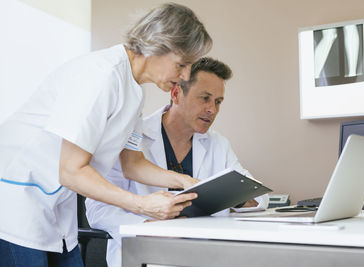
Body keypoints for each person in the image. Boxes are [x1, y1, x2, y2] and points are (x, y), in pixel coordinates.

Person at [0, 3, 212, 266]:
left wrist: (185, 182)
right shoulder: (101, 76)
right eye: (182, 64)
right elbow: (71, 170)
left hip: (54, 205)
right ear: (157, 44)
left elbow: (132, 164)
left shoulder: (134, 90)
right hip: (17, 200)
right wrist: (141, 205)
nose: (185, 76)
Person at [86, 57, 269, 267]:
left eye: (218, 102)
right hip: (144, 256)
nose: (213, 109)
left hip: (205, 256)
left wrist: (234, 197)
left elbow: (259, 197)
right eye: (205, 98)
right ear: (176, 94)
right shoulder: (133, 138)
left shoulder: (218, 144)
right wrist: (148, 226)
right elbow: (98, 209)